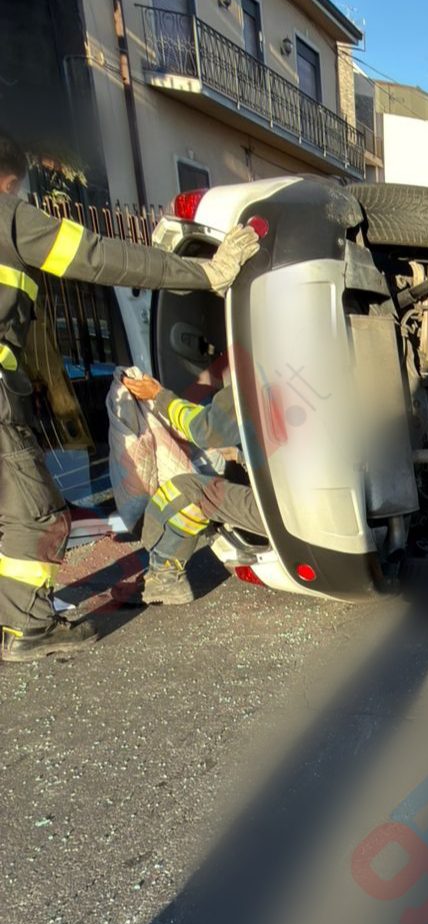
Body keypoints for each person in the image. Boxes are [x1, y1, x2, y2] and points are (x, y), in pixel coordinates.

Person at [0, 130, 260, 661]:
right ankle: (27, 630)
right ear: (9, 178)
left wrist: (160, 397)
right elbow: (97, 255)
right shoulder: (6, 216)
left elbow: (207, 429)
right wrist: (206, 273)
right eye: (20, 188)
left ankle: (149, 577)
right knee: (36, 514)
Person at [117, 376, 265, 605]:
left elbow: (205, 430)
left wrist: (159, 395)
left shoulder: (262, 376)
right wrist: (241, 455)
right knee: (228, 474)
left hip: (286, 510)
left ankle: (164, 577)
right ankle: (243, 542)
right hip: (318, 500)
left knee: (183, 491)